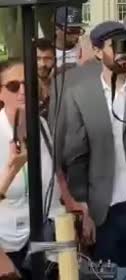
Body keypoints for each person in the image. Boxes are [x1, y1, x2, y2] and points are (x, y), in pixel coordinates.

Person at [55, 21, 126, 280]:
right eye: (113, 46)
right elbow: (76, 157)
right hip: (103, 212)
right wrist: (82, 208)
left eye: (125, 45)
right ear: (97, 52)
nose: (121, 52)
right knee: (106, 276)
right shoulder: (80, 94)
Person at [0, 59, 70, 278]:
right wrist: (12, 171)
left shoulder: (40, 125)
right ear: (1, 93)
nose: (22, 90)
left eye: (27, 83)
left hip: (43, 240)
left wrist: (66, 249)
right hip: (7, 248)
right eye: (13, 86)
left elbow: (53, 187)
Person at [52, 6, 86, 74]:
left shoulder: (86, 51)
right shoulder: (44, 53)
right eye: (71, 30)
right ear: (56, 29)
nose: (76, 35)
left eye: (78, 30)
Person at [35, 38, 55, 118]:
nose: (42, 64)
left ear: (55, 59)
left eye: (47, 59)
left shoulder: (61, 83)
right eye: (37, 59)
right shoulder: (24, 86)